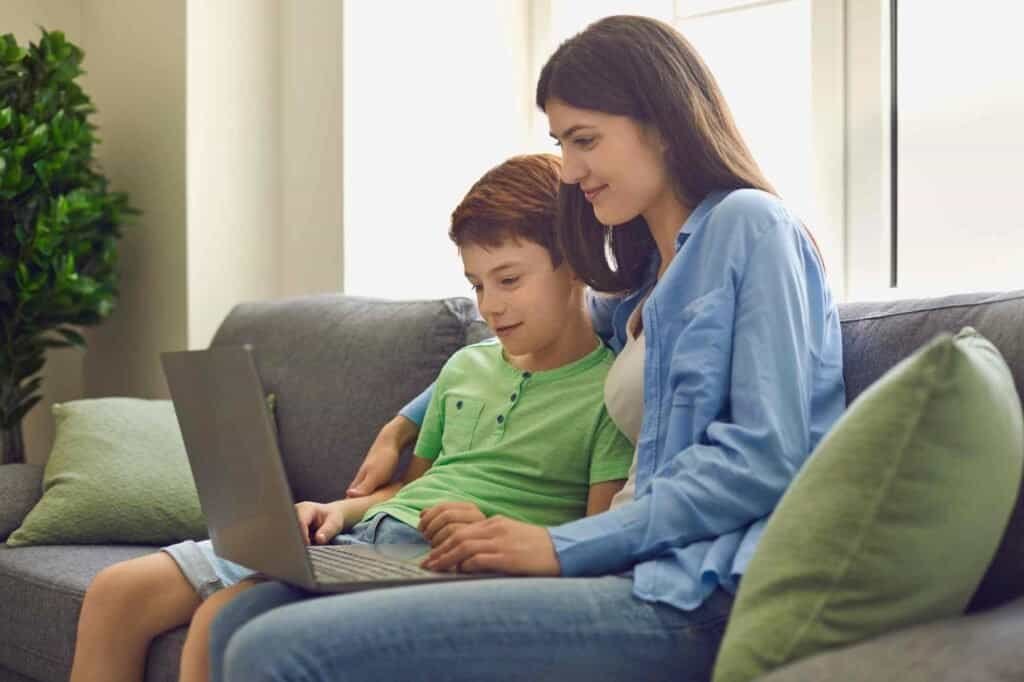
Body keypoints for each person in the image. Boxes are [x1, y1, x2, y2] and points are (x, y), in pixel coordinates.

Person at [209, 15, 847, 682]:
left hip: (688, 589)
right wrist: (407, 421)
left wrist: (558, 546)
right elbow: (538, 344)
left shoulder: (751, 226)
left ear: (660, 123)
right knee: (238, 617)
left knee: (272, 649)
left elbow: (764, 459)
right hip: (617, 567)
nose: (570, 171)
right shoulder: (642, 288)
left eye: (585, 141)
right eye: (560, 144)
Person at [67, 153, 632, 682]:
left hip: (451, 569)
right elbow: (411, 490)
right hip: (364, 541)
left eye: (509, 280)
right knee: (119, 590)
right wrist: (334, 511)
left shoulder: (608, 394)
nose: (490, 306)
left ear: (577, 265)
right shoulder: (463, 367)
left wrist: (508, 537)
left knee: (221, 622)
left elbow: (593, 543)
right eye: (476, 285)